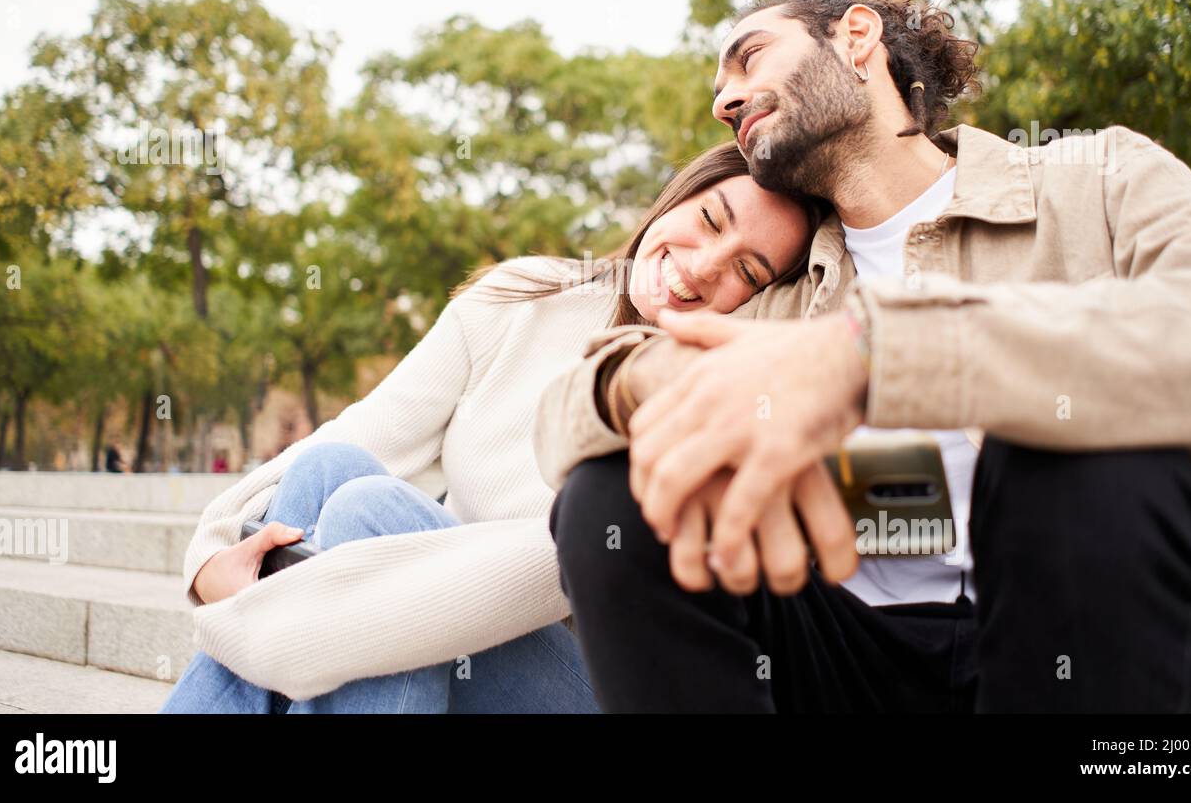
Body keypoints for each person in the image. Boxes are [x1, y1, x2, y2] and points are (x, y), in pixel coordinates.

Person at [539, 0, 1191, 713]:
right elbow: (565, 420)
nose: (723, 101)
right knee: (616, 492)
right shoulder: (774, 297)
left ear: (857, 38)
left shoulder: (1098, 181)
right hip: (846, 662)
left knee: (1066, 446)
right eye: (722, 91)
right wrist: (646, 383)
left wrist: (868, 356)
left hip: (1089, 641)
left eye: (750, 58)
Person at [159, 142, 822, 714]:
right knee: (327, 472)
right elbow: (367, 429)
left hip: (579, 681)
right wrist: (214, 550)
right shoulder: (527, 295)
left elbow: (572, 562)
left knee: (372, 515)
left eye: (746, 270)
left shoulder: (718, 380)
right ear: (679, 196)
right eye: (709, 220)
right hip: (434, 638)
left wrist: (329, 607)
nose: (706, 266)